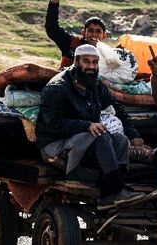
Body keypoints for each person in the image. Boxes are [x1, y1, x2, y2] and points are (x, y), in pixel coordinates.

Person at [36, 44, 148, 204]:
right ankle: (117, 190)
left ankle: (110, 195)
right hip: (55, 146)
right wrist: (86, 125)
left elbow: (117, 109)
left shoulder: (95, 85)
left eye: (95, 62)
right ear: (76, 62)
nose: (91, 66)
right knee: (101, 135)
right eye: (86, 62)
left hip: (85, 142)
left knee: (120, 140)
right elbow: (52, 123)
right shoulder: (57, 88)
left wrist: (134, 136)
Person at [45, 0, 108, 69]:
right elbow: (52, 28)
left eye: (98, 31)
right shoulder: (72, 43)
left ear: (104, 36)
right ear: (83, 32)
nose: (94, 34)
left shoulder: (106, 54)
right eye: (90, 30)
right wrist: (55, 0)